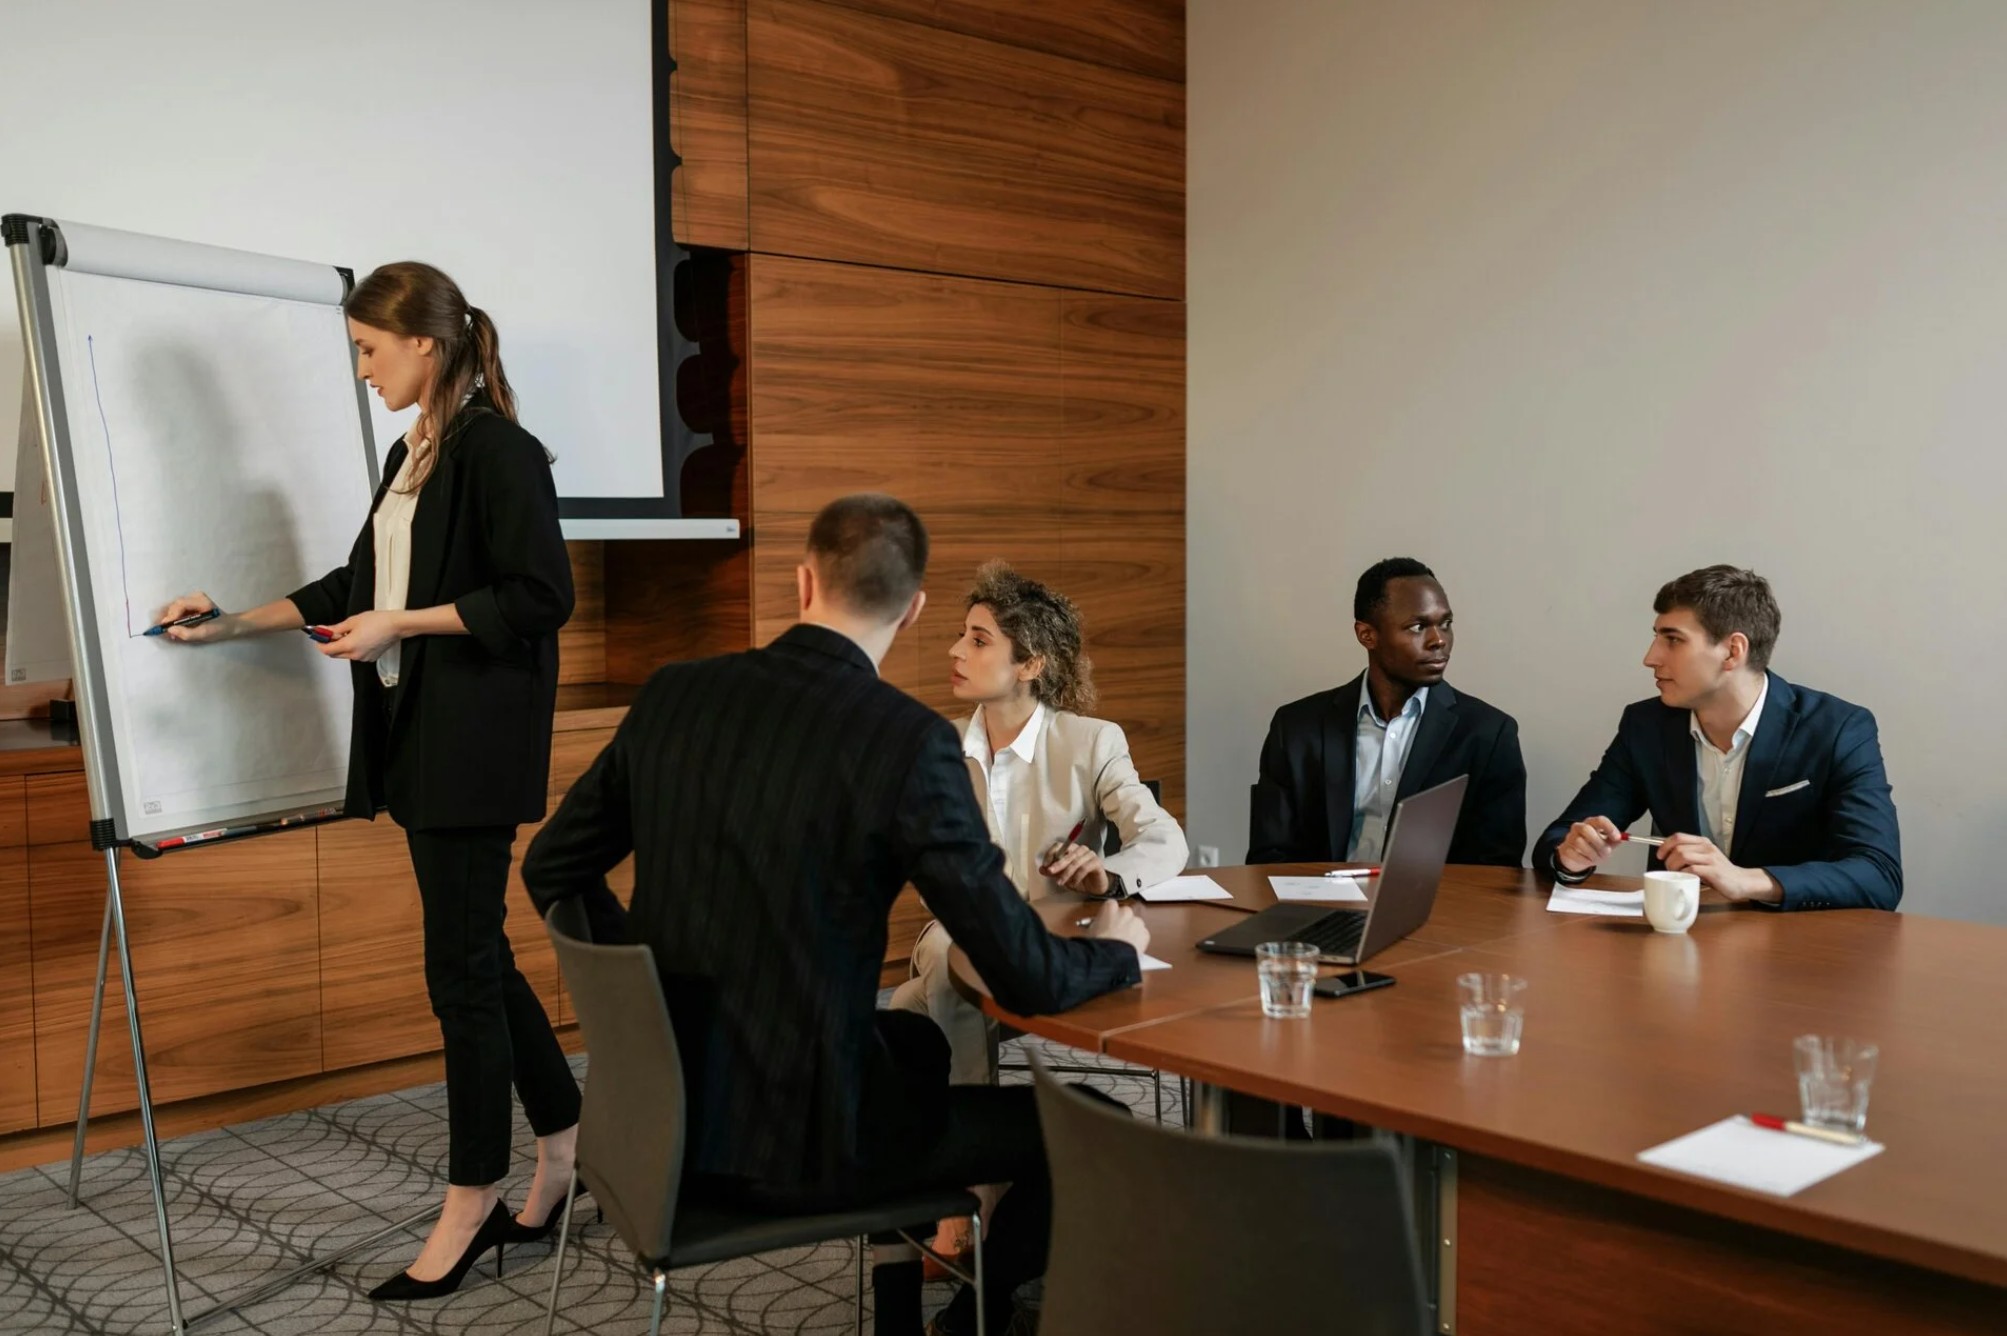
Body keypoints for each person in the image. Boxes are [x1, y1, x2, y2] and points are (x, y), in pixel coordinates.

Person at [520, 494, 1149, 1336]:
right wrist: (1118, 951)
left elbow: (550, 865)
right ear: (914, 608)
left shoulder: (675, 693)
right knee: (1099, 1124)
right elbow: (1023, 975)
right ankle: (973, 1319)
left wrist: (643, 993)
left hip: (656, 1118)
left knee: (918, 1041)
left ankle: (897, 1311)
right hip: (799, 1146)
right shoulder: (906, 741)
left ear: (803, 582)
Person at [156, 262, 587, 1300]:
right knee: (479, 957)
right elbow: (361, 586)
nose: (361, 371)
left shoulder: (497, 449)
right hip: (421, 737)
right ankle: (566, 1151)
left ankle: (472, 1198)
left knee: (459, 976)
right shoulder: (414, 452)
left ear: (424, 344)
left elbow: (541, 595)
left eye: (369, 349)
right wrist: (228, 622)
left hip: (473, 746)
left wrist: (404, 624)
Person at [891, 560, 1187, 1084]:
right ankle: (975, 1113)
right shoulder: (938, 746)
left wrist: (1107, 876)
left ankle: (969, 1118)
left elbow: (1164, 839)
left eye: (978, 641)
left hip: (1057, 937)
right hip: (969, 933)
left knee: (908, 1009)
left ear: (1030, 665)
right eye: (961, 636)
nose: (956, 651)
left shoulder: (1092, 741)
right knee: (937, 960)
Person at [1533, 565, 1901, 910]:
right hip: (1677, 937)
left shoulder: (1838, 729)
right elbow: (1558, 839)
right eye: (1656, 637)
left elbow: (1879, 874)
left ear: (1732, 651)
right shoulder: (1645, 726)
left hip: (1797, 944)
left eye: (1673, 640)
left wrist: (1747, 881)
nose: (1651, 657)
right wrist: (1571, 857)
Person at [1248, 557, 1526, 868]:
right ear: (1367, 635)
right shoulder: (1297, 728)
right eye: (1418, 627)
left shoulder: (1488, 734)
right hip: (1318, 896)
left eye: (1445, 624)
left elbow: (1496, 867)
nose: (1439, 640)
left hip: (1438, 900)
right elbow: (1269, 856)